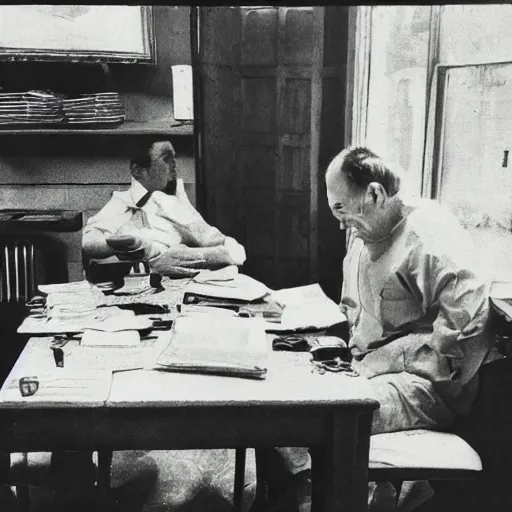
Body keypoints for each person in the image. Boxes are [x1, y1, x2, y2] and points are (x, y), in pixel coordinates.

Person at [273, 146, 495, 511]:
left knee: (318, 419)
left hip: (423, 385)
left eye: (342, 210)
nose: (341, 224)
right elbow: (354, 313)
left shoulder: (430, 238)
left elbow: (465, 336)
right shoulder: (367, 232)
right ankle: (307, 497)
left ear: (374, 193)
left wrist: (390, 358)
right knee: (285, 400)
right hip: (366, 366)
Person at [82, 139, 246, 273]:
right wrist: (117, 243)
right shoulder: (123, 202)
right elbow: (89, 242)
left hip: (181, 275)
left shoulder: (173, 203)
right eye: (166, 158)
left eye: (174, 158)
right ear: (139, 170)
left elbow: (215, 240)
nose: (174, 164)